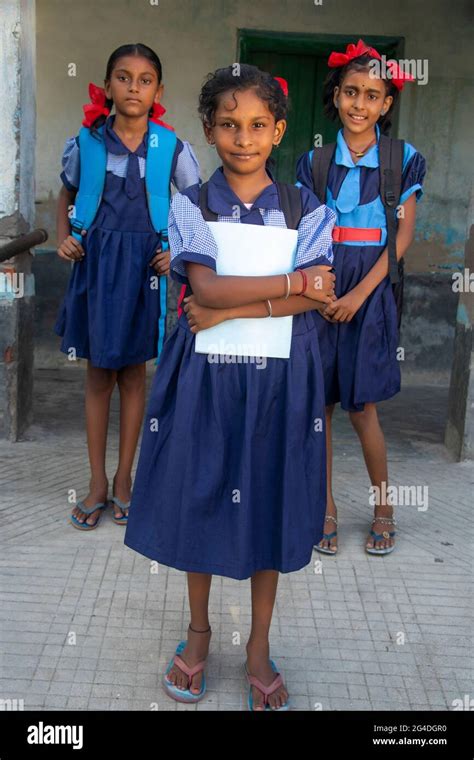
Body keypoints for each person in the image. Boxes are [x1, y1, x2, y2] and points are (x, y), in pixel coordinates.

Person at [124, 64, 337, 710]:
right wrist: (290, 286)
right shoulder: (192, 204)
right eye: (227, 125)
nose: (242, 138)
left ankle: (259, 646)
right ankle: (198, 634)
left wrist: (229, 309)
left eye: (256, 126)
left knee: (267, 496)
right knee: (202, 491)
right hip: (207, 378)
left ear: (277, 131)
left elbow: (318, 296)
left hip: (279, 378)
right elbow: (206, 287)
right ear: (211, 132)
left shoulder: (308, 207)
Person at [54, 43, 200, 530]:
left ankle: (124, 480)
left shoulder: (171, 147)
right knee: (98, 374)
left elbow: (193, 207)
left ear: (158, 90)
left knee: (134, 375)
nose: (133, 87)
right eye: (123, 77)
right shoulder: (88, 142)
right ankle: (96, 482)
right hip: (96, 266)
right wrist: (63, 236)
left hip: (146, 271)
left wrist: (176, 251)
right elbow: (68, 192)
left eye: (144, 79)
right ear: (108, 85)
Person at [296, 39, 426, 556]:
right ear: (337, 95)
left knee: (363, 406)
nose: (359, 103)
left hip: (373, 284)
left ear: (386, 104)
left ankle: (384, 509)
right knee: (320, 405)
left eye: (373, 95)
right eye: (351, 92)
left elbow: (402, 239)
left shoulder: (403, 159)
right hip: (324, 282)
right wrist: (323, 290)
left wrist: (358, 296)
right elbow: (308, 234)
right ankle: (324, 507)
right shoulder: (315, 161)